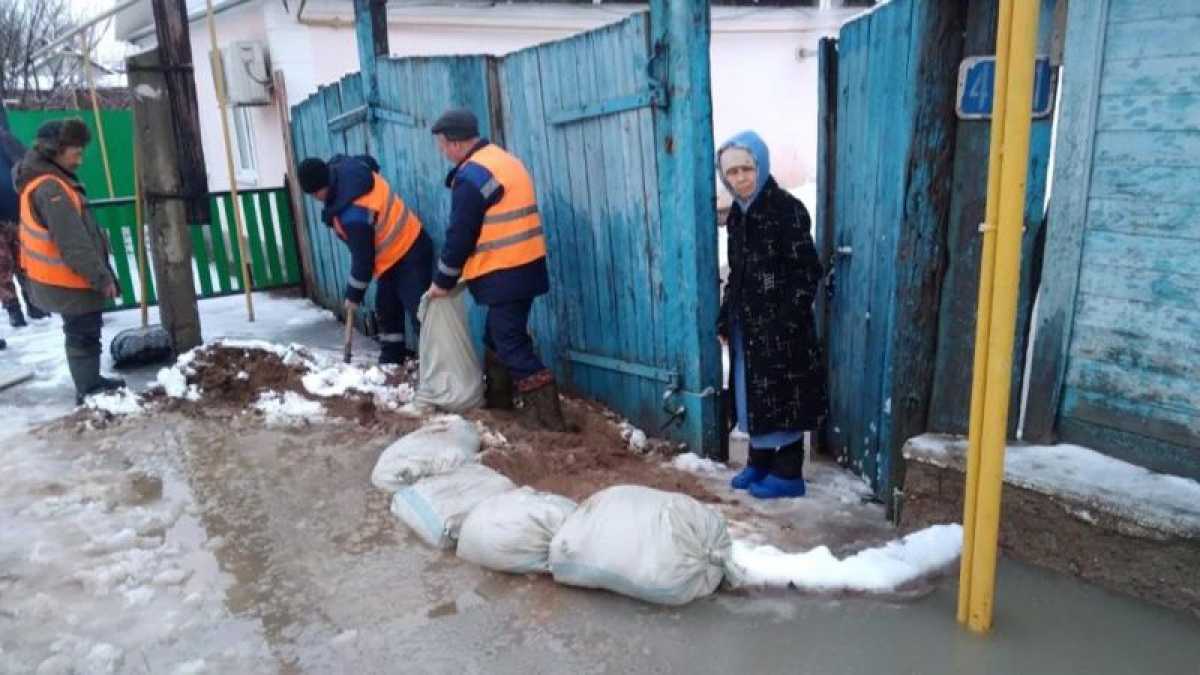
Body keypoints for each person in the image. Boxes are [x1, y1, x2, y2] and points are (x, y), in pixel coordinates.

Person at [427, 107, 571, 432]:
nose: (441, 151)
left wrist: (443, 281)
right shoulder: (502, 160)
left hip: (505, 271)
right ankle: (500, 403)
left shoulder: (471, 177)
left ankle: (551, 422)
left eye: (441, 144)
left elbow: (460, 235)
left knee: (511, 343)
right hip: (526, 266)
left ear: (453, 143)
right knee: (495, 336)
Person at [717, 130, 827, 499]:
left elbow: (807, 272)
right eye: (731, 172)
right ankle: (760, 461)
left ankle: (788, 472)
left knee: (784, 395)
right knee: (753, 394)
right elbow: (737, 272)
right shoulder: (737, 215)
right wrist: (724, 315)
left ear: (761, 166)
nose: (740, 178)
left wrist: (786, 322)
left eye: (746, 169)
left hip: (782, 329)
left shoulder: (786, 210)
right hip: (748, 325)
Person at [13, 118, 124, 403]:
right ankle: (89, 389)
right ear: (56, 151)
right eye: (76, 152)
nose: (80, 158)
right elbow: (73, 243)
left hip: (62, 279)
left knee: (81, 331)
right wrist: (101, 277)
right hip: (67, 281)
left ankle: (90, 382)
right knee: (83, 333)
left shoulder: (46, 181)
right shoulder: (51, 188)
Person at [297, 154, 433, 365]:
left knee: (420, 314)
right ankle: (391, 361)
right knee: (387, 309)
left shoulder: (355, 214)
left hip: (410, 249)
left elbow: (363, 263)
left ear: (322, 186)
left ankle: (439, 369)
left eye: (316, 194)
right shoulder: (345, 168)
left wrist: (353, 296)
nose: (316, 198)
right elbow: (370, 162)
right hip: (390, 260)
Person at [1, 124, 49, 327]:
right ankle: (13, 310)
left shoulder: (6, 140)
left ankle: (35, 304)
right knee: (2, 267)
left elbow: (27, 166)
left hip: (18, 212)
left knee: (26, 261)